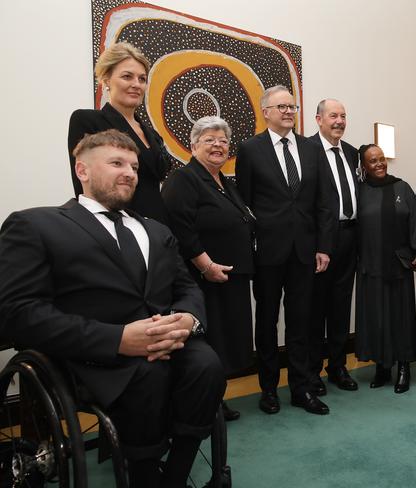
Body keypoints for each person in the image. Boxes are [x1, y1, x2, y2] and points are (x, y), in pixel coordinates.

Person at [0, 130, 224, 488]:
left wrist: (188, 319)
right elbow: (18, 313)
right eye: (117, 163)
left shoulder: (156, 230)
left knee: (207, 365)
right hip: (93, 354)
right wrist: (118, 339)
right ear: (82, 171)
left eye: (134, 166)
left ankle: (177, 474)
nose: (130, 173)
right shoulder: (36, 225)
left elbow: (185, 287)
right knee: (147, 377)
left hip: (168, 342)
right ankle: (145, 473)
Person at [235, 85, 334, 415]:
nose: (289, 111)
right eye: (282, 107)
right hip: (267, 251)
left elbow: (323, 202)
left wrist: (324, 246)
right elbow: (244, 205)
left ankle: (301, 388)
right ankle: (268, 389)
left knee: (301, 322)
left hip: (305, 251)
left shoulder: (311, 149)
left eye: (292, 106)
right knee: (265, 322)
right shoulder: (250, 149)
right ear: (266, 112)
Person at [161, 116, 254, 422]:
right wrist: (206, 266)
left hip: (231, 277)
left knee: (226, 341)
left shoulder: (226, 182)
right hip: (205, 278)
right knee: (210, 341)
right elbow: (180, 228)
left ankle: (215, 398)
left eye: (223, 140)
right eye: (209, 139)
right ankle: (205, 402)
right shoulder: (183, 179)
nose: (218, 145)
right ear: (193, 145)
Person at [68, 42, 171, 223]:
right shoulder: (87, 120)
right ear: (106, 80)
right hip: (115, 227)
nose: (136, 84)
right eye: (127, 76)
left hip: (158, 228)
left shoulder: (152, 134)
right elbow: (84, 185)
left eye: (142, 79)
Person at [355, 144, 416, 393]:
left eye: (382, 158)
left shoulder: (402, 187)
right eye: (372, 160)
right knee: (377, 318)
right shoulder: (360, 192)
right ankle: (382, 367)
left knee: (401, 317)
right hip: (370, 265)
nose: (379, 163)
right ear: (364, 166)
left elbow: (415, 220)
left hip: (399, 264)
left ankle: (404, 367)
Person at [307, 99, 359, 395]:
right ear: (318, 119)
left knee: (341, 306)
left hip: (350, 238)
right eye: (333, 116)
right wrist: (318, 244)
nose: (339, 121)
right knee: (317, 309)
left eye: (343, 115)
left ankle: (338, 367)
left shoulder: (352, 153)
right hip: (320, 243)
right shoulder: (306, 150)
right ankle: (313, 372)